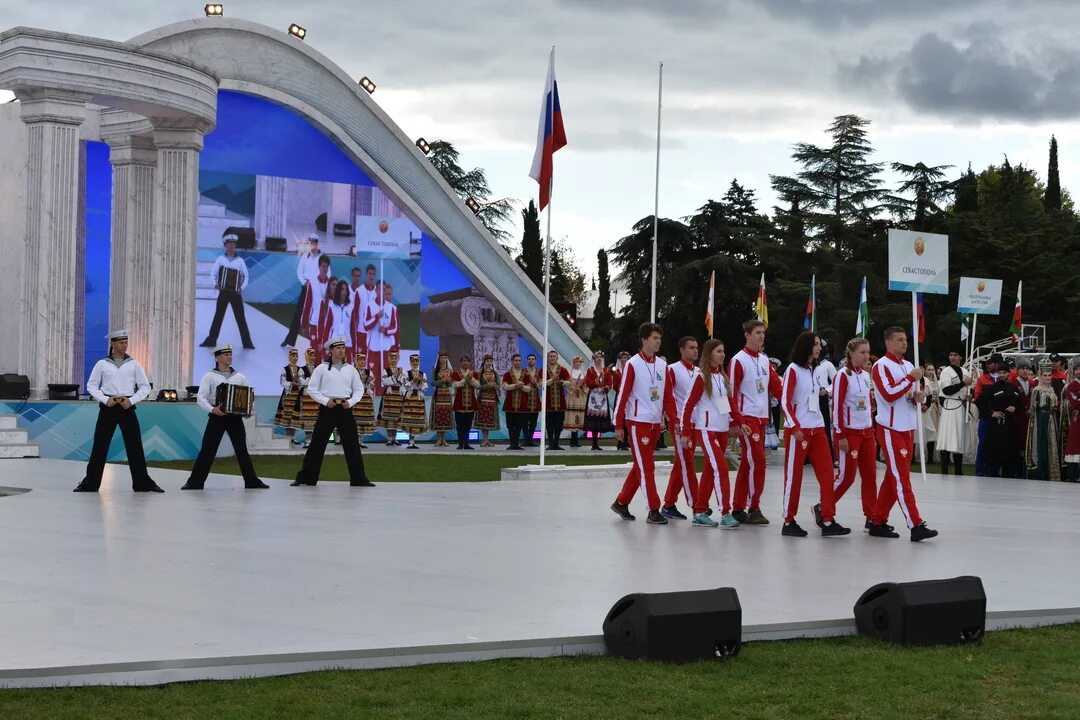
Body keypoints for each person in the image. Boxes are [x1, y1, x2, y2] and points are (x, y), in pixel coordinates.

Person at [867, 327, 938, 541]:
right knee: (901, 478)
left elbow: (915, 395)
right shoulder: (881, 366)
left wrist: (920, 396)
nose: (904, 343)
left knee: (893, 477)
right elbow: (888, 394)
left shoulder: (908, 365)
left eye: (905, 339)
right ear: (888, 343)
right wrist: (909, 379)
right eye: (899, 340)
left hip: (907, 426)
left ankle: (877, 521)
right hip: (890, 428)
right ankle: (915, 524)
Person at [74, 329, 164, 493]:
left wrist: (131, 401)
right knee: (100, 445)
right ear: (113, 344)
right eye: (121, 343)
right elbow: (91, 386)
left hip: (126, 406)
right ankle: (90, 483)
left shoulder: (134, 364)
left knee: (134, 445)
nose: (125, 346)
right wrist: (105, 399)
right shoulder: (102, 364)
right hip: (108, 407)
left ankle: (142, 482)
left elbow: (144, 387)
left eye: (126, 342)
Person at [778, 332, 849, 537]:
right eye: (816, 344)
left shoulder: (815, 369)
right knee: (794, 477)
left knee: (827, 475)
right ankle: (788, 520)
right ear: (806, 346)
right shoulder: (793, 370)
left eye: (819, 344)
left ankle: (827, 519)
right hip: (799, 432)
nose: (819, 348)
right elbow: (785, 402)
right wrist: (795, 426)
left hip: (817, 429)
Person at [182, 345, 268, 490]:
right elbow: (201, 398)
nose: (230, 357)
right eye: (226, 354)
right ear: (217, 358)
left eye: (230, 354)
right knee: (208, 449)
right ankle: (195, 482)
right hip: (217, 417)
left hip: (235, 418)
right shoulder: (209, 376)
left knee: (241, 449)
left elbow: (248, 396)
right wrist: (213, 409)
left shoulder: (240, 377)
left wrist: (248, 410)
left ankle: (251, 480)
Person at [680, 338, 745, 529]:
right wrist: (685, 432)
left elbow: (729, 403)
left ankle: (699, 511)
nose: (722, 355)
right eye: (718, 351)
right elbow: (687, 405)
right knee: (721, 469)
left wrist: (739, 422)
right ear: (709, 355)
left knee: (710, 471)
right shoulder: (700, 377)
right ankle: (726, 513)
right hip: (707, 431)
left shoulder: (722, 377)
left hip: (722, 431)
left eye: (723, 351)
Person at [291, 337, 374, 487]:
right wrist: (325, 401)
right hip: (328, 408)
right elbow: (312, 388)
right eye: (338, 348)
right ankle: (306, 477)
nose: (342, 350)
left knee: (352, 444)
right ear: (331, 350)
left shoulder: (351, 369)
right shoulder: (321, 368)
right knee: (317, 443)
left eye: (343, 348)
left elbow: (359, 389)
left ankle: (359, 478)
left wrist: (351, 402)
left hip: (345, 408)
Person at [610, 322, 671, 524]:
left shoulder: (663, 366)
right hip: (637, 423)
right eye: (654, 338)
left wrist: (673, 419)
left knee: (641, 466)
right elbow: (623, 395)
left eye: (660, 338)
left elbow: (668, 397)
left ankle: (621, 502)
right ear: (644, 339)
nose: (658, 342)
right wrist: (618, 424)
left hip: (655, 423)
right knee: (647, 467)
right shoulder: (633, 364)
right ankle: (654, 509)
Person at [729, 319, 783, 525]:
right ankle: (754, 507)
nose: (761, 336)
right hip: (746, 419)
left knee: (747, 464)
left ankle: (737, 508)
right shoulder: (738, 360)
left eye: (763, 333)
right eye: (757, 333)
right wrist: (734, 421)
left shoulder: (764, 360)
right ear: (747, 335)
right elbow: (731, 393)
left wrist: (791, 405)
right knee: (758, 461)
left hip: (762, 418)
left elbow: (776, 386)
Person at [830, 338, 879, 529]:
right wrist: (840, 434)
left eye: (868, 352)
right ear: (851, 353)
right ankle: (824, 506)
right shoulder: (843, 375)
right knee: (846, 477)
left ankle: (871, 515)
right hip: (849, 433)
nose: (866, 356)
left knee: (870, 476)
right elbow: (836, 406)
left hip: (867, 432)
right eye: (862, 352)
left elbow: (865, 404)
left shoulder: (866, 376)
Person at [660, 336, 700, 521]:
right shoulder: (673, 370)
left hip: (696, 424)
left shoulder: (699, 371)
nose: (695, 351)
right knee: (688, 463)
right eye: (691, 348)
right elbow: (667, 396)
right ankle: (697, 506)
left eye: (696, 348)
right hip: (679, 425)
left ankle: (668, 504)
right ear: (682, 350)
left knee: (681, 464)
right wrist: (672, 420)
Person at [200, 232, 255, 350]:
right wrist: (215, 284)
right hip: (224, 292)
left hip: (236, 293)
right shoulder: (221, 259)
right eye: (229, 244)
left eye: (233, 244)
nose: (231, 246)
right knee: (218, 316)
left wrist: (242, 287)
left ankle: (247, 343)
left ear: (235, 246)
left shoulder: (240, 261)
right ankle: (211, 341)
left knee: (240, 318)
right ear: (226, 245)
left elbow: (246, 276)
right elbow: (213, 273)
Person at [976, 365, 1021, 478]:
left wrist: (1015, 408)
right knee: (993, 452)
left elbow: (1020, 404)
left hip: (1009, 425)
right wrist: (992, 413)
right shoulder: (991, 388)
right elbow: (980, 402)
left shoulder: (1014, 388)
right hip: (995, 426)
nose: (1001, 375)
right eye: (999, 373)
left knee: (1009, 452)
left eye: (1004, 373)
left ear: (1008, 374)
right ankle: (991, 474)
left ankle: (1009, 475)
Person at [282, 234, 322, 347]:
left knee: (318, 315)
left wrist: (318, 284)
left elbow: (327, 272)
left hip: (318, 290)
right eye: (310, 242)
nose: (312, 244)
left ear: (317, 243)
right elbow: (299, 272)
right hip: (306, 288)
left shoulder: (322, 257)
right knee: (298, 314)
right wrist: (304, 282)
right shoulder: (305, 256)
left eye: (314, 242)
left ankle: (319, 341)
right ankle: (289, 339)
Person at [935, 350, 972, 475]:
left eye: (955, 355)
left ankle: (958, 471)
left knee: (959, 438)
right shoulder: (946, 372)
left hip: (961, 406)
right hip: (950, 405)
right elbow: (947, 390)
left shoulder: (966, 371)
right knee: (948, 437)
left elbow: (966, 390)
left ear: (960, 356)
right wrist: (963, 383)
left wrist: (968, 397)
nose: (953, 357)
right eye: (950, 355)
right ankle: (944, 471)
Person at [1026, 362, 1062, 481]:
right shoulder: (1037, 390)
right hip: (1040, 420)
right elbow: (1033, 409)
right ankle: (1040, 473)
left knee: (1051, 445)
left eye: (1049, 375)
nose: (1047, 378)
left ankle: (1049, 472)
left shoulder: (1051, 389)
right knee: (1041, 444)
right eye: (1045, 375)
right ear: (1040, 376)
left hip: (1051, 420)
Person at [364, 282, 400, 391]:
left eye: (384, 289)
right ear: (376, 290)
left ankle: (384, 404)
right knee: (372, 380)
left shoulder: (392, 308)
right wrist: (376, 317)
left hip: (386, 349)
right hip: (373, 348)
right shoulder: (369, 305)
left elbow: (395, 327)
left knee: (386, 380)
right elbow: (365, 325)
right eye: (379, 289)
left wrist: (386, 331)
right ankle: (372, 403)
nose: (382, 292)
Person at [273, 347, 310, 446]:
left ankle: (293, 438)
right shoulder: (285, 369)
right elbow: (282, 381)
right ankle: (289, 439)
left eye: (296, 356)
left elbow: (303, 381)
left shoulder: (300, 369)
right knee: (287, 416)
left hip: (297, 396)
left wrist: (299, 384)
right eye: (293, 356)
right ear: (289, 356)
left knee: (295, 418)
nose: (295, 358)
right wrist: (291, 384)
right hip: (288, 396)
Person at [299, 254, 332, 355]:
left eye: (327, 266)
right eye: (323, 266)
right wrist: (304, 324)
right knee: (314, 353)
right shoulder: (312, 283)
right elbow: (307, 304)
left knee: (326, 354)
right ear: (319, 267)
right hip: (314, 322)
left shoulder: (332, 284)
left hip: (328, 324)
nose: (325, 268)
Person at [584, 351, 615, 450]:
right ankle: (593, 442)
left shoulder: (606, 370)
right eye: (597, 357)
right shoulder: (590, 370)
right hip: (593, 396)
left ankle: (597, 442)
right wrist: (598, 379)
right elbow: (588, 383)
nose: (599, 359)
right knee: (593, 420)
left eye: (600, 357)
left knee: (600, 420)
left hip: (602, 396)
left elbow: (610, 383)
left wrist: (606, 388)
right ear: (594, 359)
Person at [319, 281, 355, 363]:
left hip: (347, 345)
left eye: (346, 290)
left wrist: (354, 350)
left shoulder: (351, 307)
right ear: (338, 291)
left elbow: (353, 329)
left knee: (346, 373)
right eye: (342, 289)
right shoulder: (332, 306)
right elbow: (327, 328)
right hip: (335, 344)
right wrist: (325, 346)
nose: (344, 292)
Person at [542, 350, 571, 451]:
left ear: (557, 358)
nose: (552, 358)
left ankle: (556, 443)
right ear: (548, 358)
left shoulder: (563, 370)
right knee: (549, 425)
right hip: (548, 402)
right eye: (550, 356)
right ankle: (550, 444)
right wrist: (551, 380)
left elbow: (570, 382)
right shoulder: (544, 370)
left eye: (554, 356)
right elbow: (540, 384)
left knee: (559, 424)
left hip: (560, 403)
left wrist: (562, 382)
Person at [814, 344, 838, 462]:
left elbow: (836, 381)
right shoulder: (810, 363)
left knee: (824, 424)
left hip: (822, 396)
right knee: (811, 422)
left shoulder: (828, 365)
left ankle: (827, 456)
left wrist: (827, 390)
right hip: (812, 396)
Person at [400, 353, 428, 449]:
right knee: (409, 419)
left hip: (418, 398)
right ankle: (410, 441)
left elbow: (425, 387)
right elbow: (405, 385)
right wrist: (413, 381)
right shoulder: (406, 373)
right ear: (410, 362)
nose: (415, 363)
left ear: (419, 362)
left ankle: (413, 441)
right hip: (410, 397)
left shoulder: (422, 374)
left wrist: (419, 382)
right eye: (413, 361)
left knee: (416, 419)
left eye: (416, 361)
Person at [502, 353, 530, 450]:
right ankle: (512, 444)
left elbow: (529, 389)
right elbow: (504, 386)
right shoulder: (507, 374)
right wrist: (515, 385)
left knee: (519, 425)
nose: (517, 362)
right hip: (510, 404)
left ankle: (516, 444)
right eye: (515, 360)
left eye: (519, 360)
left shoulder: (526, 374)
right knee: (510, 425)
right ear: (512, 361)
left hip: (522, 404)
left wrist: (522, 386)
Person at [451, 355, 479, 450]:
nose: (465, 363)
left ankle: (466, 443)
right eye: (463, 361)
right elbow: (454, 385)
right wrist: (464, 379)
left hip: (471, 403)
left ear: (469, 362)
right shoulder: (455, 373)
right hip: (459, 403)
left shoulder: (474, 373)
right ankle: (460, 443)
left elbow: (477, 385)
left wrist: (471, 379)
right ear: (460, 362)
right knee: (459, 425)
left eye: (467, 361)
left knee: (468, 425)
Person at [378, 348, 405, 446]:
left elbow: (404, 381)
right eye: (392, 358)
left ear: (397, 359)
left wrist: (396, 379)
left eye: (395, 358)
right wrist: (396, 378)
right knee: (389, 417)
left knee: (397, 417)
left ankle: (395, 439)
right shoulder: (385, 370)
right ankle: (389, 439)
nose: (393, 360)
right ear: (389, 359)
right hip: (389, 395)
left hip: (398, 395)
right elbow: (385, 381)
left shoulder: (402, 370)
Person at [351, 264, 378, 356]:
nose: (371, 276)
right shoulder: (359, 291)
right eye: (370, 274)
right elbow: (355, 312)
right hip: (361, 330)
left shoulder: (377, 291)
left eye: (373, 274)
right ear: (366, 274)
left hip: (373, 330)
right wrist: (354, 329)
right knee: (360, 357)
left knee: (371, 357)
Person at [474, 355, 501, 447]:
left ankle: (487, 439)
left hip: (492, 398)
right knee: (483, 419)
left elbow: (498, 385)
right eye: (487, 361)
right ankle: (484, 439)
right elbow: (477, 386)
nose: (489, 363)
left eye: (491, 361)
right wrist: (486, 386)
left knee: (489, 420)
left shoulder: (495, 373)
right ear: (484, 362)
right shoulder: (480, 372)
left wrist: (494, 386)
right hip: (483, 398)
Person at [1061, 357, 1080, 482]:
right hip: (1077, 421)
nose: (1079, 371)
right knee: (1074, 448)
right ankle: (1072, 476)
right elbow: (1075, 403)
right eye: (1077, 369)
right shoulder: (1071, 386)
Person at [352, 351, 377, 448]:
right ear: (356, 360)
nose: (362, 361)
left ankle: (360, 440)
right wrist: (361, 384)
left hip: (365, 397)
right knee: (355, 418)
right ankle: (355, 440)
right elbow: (351, 383)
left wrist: (367, 386)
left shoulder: (369, 372)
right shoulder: (352, 371)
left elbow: (372, 383)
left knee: (363, 418)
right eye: (360, 359)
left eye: (363, 360)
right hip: (356, 397)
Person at [430, 352, 455, 447]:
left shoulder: (449, 370)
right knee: (438, 417)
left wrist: (449, 381)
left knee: (445, 417)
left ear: (447, 359)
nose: (443, 359)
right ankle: (438, 439)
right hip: (438, 395)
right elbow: (432, 383)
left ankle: (443, 439)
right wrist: (441, 381)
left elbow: (451, 383)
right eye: (442, 357)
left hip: (446, 395)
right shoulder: (435, 370)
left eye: (445, 357)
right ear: (439, 359)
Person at [564, 356, 587, 447]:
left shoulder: (583, 373)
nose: (578, 364)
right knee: (572, 415)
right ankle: (572, 440)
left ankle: (576, 440)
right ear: (573, 363)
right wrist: (573, 384)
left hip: (580, 396)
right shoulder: (570, 373)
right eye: (576, 362)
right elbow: (566, 385)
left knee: (579, 415)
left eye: (579, 362)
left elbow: (586, 386)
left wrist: (582, 385)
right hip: (572, 396)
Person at [921, 362, 940, 465]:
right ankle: (923, 455)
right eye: (929, 370)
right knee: (926, 431)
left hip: (934, 409)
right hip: (926, 407)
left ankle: (931, 457)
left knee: (933, 432)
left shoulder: (937, 383)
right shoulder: (923, 381)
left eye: (932, 370)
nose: (931, 372)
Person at [612, 351, 631, 450]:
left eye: (625, 358)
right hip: (620, 397)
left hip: (629, 398)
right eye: (622, 358)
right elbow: (614, 385)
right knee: (621, 418)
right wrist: (622, 388)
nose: (624, 360)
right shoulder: (616, 372)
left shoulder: (630, 370)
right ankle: (620, 442)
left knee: (628, 418)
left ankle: (626, 440)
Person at [523, 354, 542, 447]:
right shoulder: (523, 371)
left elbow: (542, 385)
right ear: (527, 360)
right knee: (524, 422)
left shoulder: (539, 371)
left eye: (533, 359)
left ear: (535, 360)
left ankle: (531, 440)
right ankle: (526, 440)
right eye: (529, 359)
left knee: (533, 422)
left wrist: (536, 383)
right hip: (525, 399)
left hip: (535, 399)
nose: (531, 360)